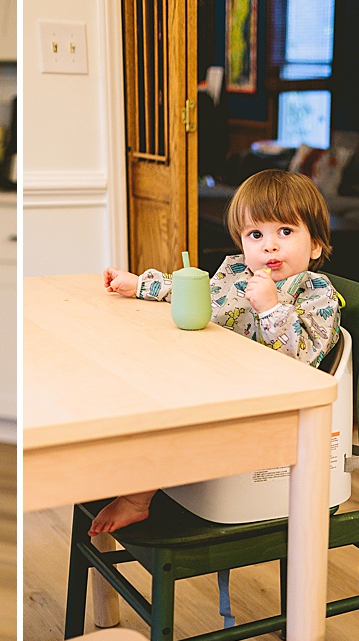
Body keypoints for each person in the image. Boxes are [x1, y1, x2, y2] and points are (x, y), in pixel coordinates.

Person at [91, 169, 341, 534]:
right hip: (215, 375)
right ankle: (117, 464)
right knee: (139, 378)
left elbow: (301, 361)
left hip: (263, 405)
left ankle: (137, 497)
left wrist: (271, 309)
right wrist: (142, 284)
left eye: (285, 232)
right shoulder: (240, 273)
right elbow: (200, 292)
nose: (269, 246)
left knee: (168, 401)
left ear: (315, 245)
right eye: (256, 235)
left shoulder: (316, 294)